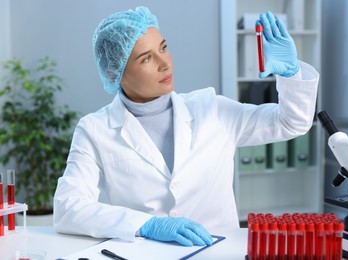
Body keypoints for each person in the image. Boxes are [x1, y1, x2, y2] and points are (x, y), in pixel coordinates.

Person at [53, 6, 319, 247]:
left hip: (220, 251)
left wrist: (290, 74)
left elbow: (290, 122)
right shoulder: (95, 129)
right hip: (147, 253)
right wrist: (146, 225)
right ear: (115, 74)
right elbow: (67, 207)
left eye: (163, 47)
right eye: (146, 58)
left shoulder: (211, 108)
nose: (164, 63)